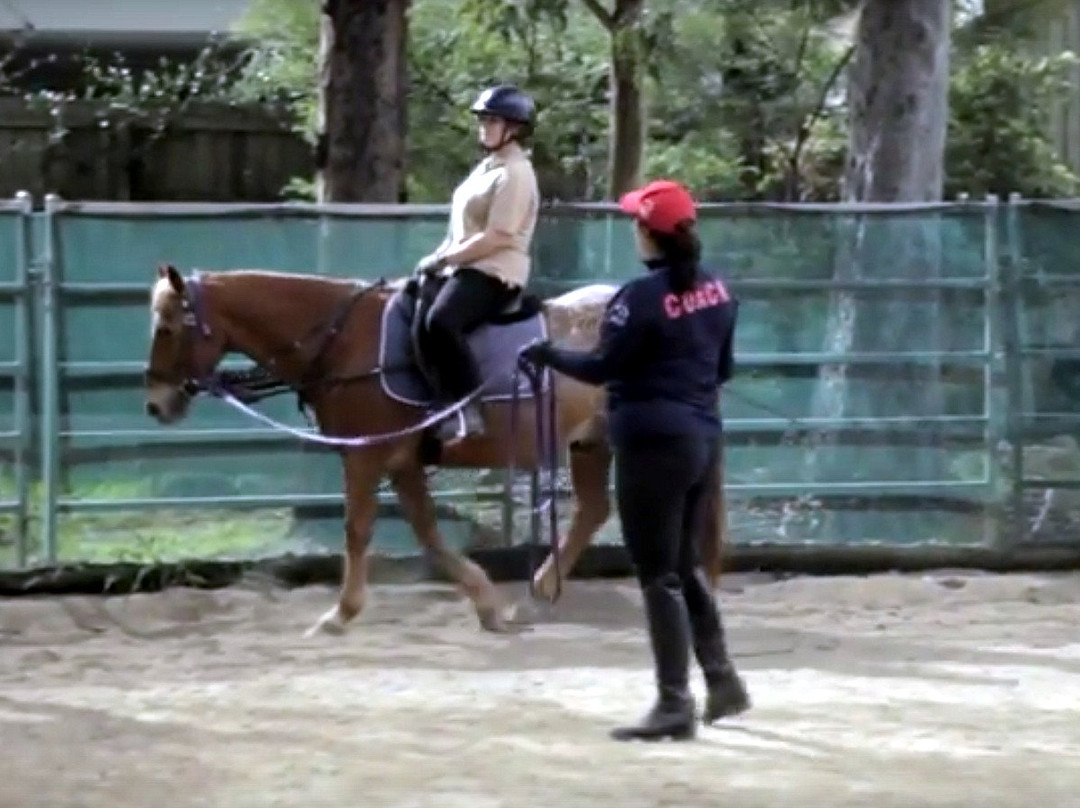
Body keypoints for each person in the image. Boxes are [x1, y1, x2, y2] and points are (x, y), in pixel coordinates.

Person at [520, 179, 751, 742]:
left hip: (652, 444)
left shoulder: (636, 300)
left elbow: (602, 369)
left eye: (636, 223)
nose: (633, 232)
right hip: (701, 437)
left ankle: (674, 702)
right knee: (685, 562)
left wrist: (545, 352)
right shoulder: (718, 290)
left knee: (658, 576)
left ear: (650, 233)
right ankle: (721, 680)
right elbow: (723, 370)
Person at [414, 83, 541, 442]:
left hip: (495, 272)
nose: (483, 127)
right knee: (412, 306)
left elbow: (498, 235)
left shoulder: (516, 173)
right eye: (482, 120)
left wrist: (443, 259)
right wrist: (436, 260)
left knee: (442, 320)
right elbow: (461, 229)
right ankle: (437, 401)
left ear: (513, 128)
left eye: (492, 121)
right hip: (465, 265)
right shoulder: (488, 168)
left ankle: (470, 406)